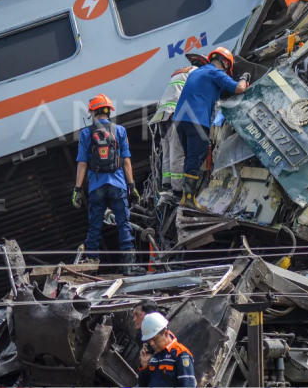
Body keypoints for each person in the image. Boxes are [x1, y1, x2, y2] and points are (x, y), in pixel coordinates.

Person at [173, 47, 249, 211]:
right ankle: (189, 199)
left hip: (180, 119)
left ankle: (186, 198)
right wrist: (244, 78)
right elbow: (240, 89)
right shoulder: (216, 73)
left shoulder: (197, 73)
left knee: (189, 157)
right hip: (197, 120)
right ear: (224, 63)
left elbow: (214, 92)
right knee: (195, 158)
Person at [72, 94, 141, 276]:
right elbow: (126, 161)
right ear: (109, 111)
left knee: (95, 226)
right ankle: (128, 266)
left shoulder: (86, 133)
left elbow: (82, 163)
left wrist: (77, 189)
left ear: (92, 113)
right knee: (123, 223)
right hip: (118, 185)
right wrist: (131, 185)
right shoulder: (120, 131)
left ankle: (91, 266)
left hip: (96, 187)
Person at [149, 55, 206, 196]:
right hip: (175, 111)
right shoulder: (197, 73)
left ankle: (167, 183)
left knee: (167, 148)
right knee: (178, 151)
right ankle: (178, 189)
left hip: (162, 113)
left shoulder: (181, 71)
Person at [138, 312, 196, 387]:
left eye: (155, 339)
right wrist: (144, 365)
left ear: (165, 333)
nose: (152, 344)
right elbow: (143, 385)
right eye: (149, 340)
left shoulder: (181, 354)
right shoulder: (154, 356)